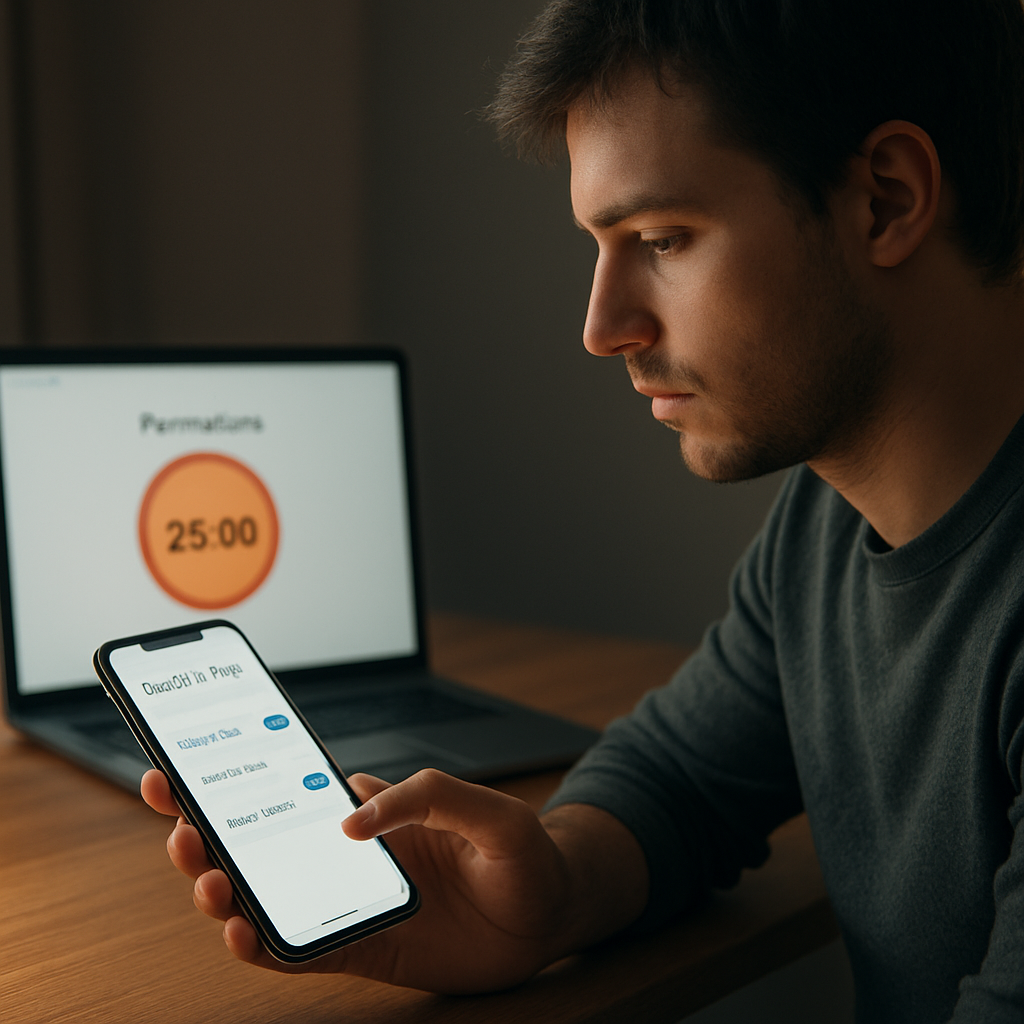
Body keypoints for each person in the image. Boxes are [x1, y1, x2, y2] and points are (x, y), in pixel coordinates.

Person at [142, 0, 1024, 1019]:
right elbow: (685, 774)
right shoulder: (825, 521)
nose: (602, 327)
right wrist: (544, 890)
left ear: (884, 198)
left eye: (661, 237)